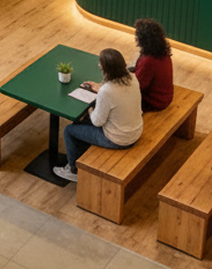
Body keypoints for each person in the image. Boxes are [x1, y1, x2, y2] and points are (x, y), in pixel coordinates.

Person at [52, 48, 143, 182]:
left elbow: (97, 122)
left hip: (118, 139)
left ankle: (73, 171)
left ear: (106, 69)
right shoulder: (132, 78)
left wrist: (91, 107)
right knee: (81, 124)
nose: (99, 65)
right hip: (135, 130)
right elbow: (117, 94)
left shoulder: (107, 91)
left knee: (69, 130)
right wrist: (100, 87)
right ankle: (80, 155)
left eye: (100, 64)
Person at [131, 18, 174, 111]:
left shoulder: (148, 61)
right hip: (166, 96)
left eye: (138, 36)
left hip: (155, 102)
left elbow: (137, 86)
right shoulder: (163, 53)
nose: (136, 39)